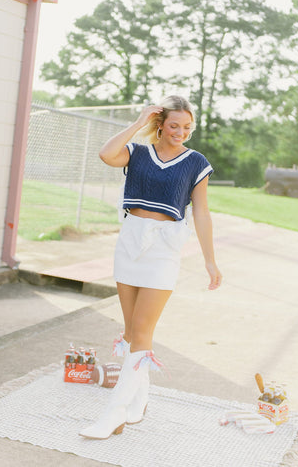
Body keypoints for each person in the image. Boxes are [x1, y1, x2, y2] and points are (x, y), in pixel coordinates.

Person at [79, 95, 222, 439]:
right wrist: (138, 122)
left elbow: (201, 212)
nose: (181, 132)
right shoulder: (138, 152)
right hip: (130, 242)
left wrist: (210, 259)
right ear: (159, 124)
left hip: (164, 249)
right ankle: (139, 399)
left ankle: (114, 413)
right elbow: (105, 154)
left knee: (142, 331)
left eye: (188, 127)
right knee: (131, 334)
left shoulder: (195, 162)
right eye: (174, 125)